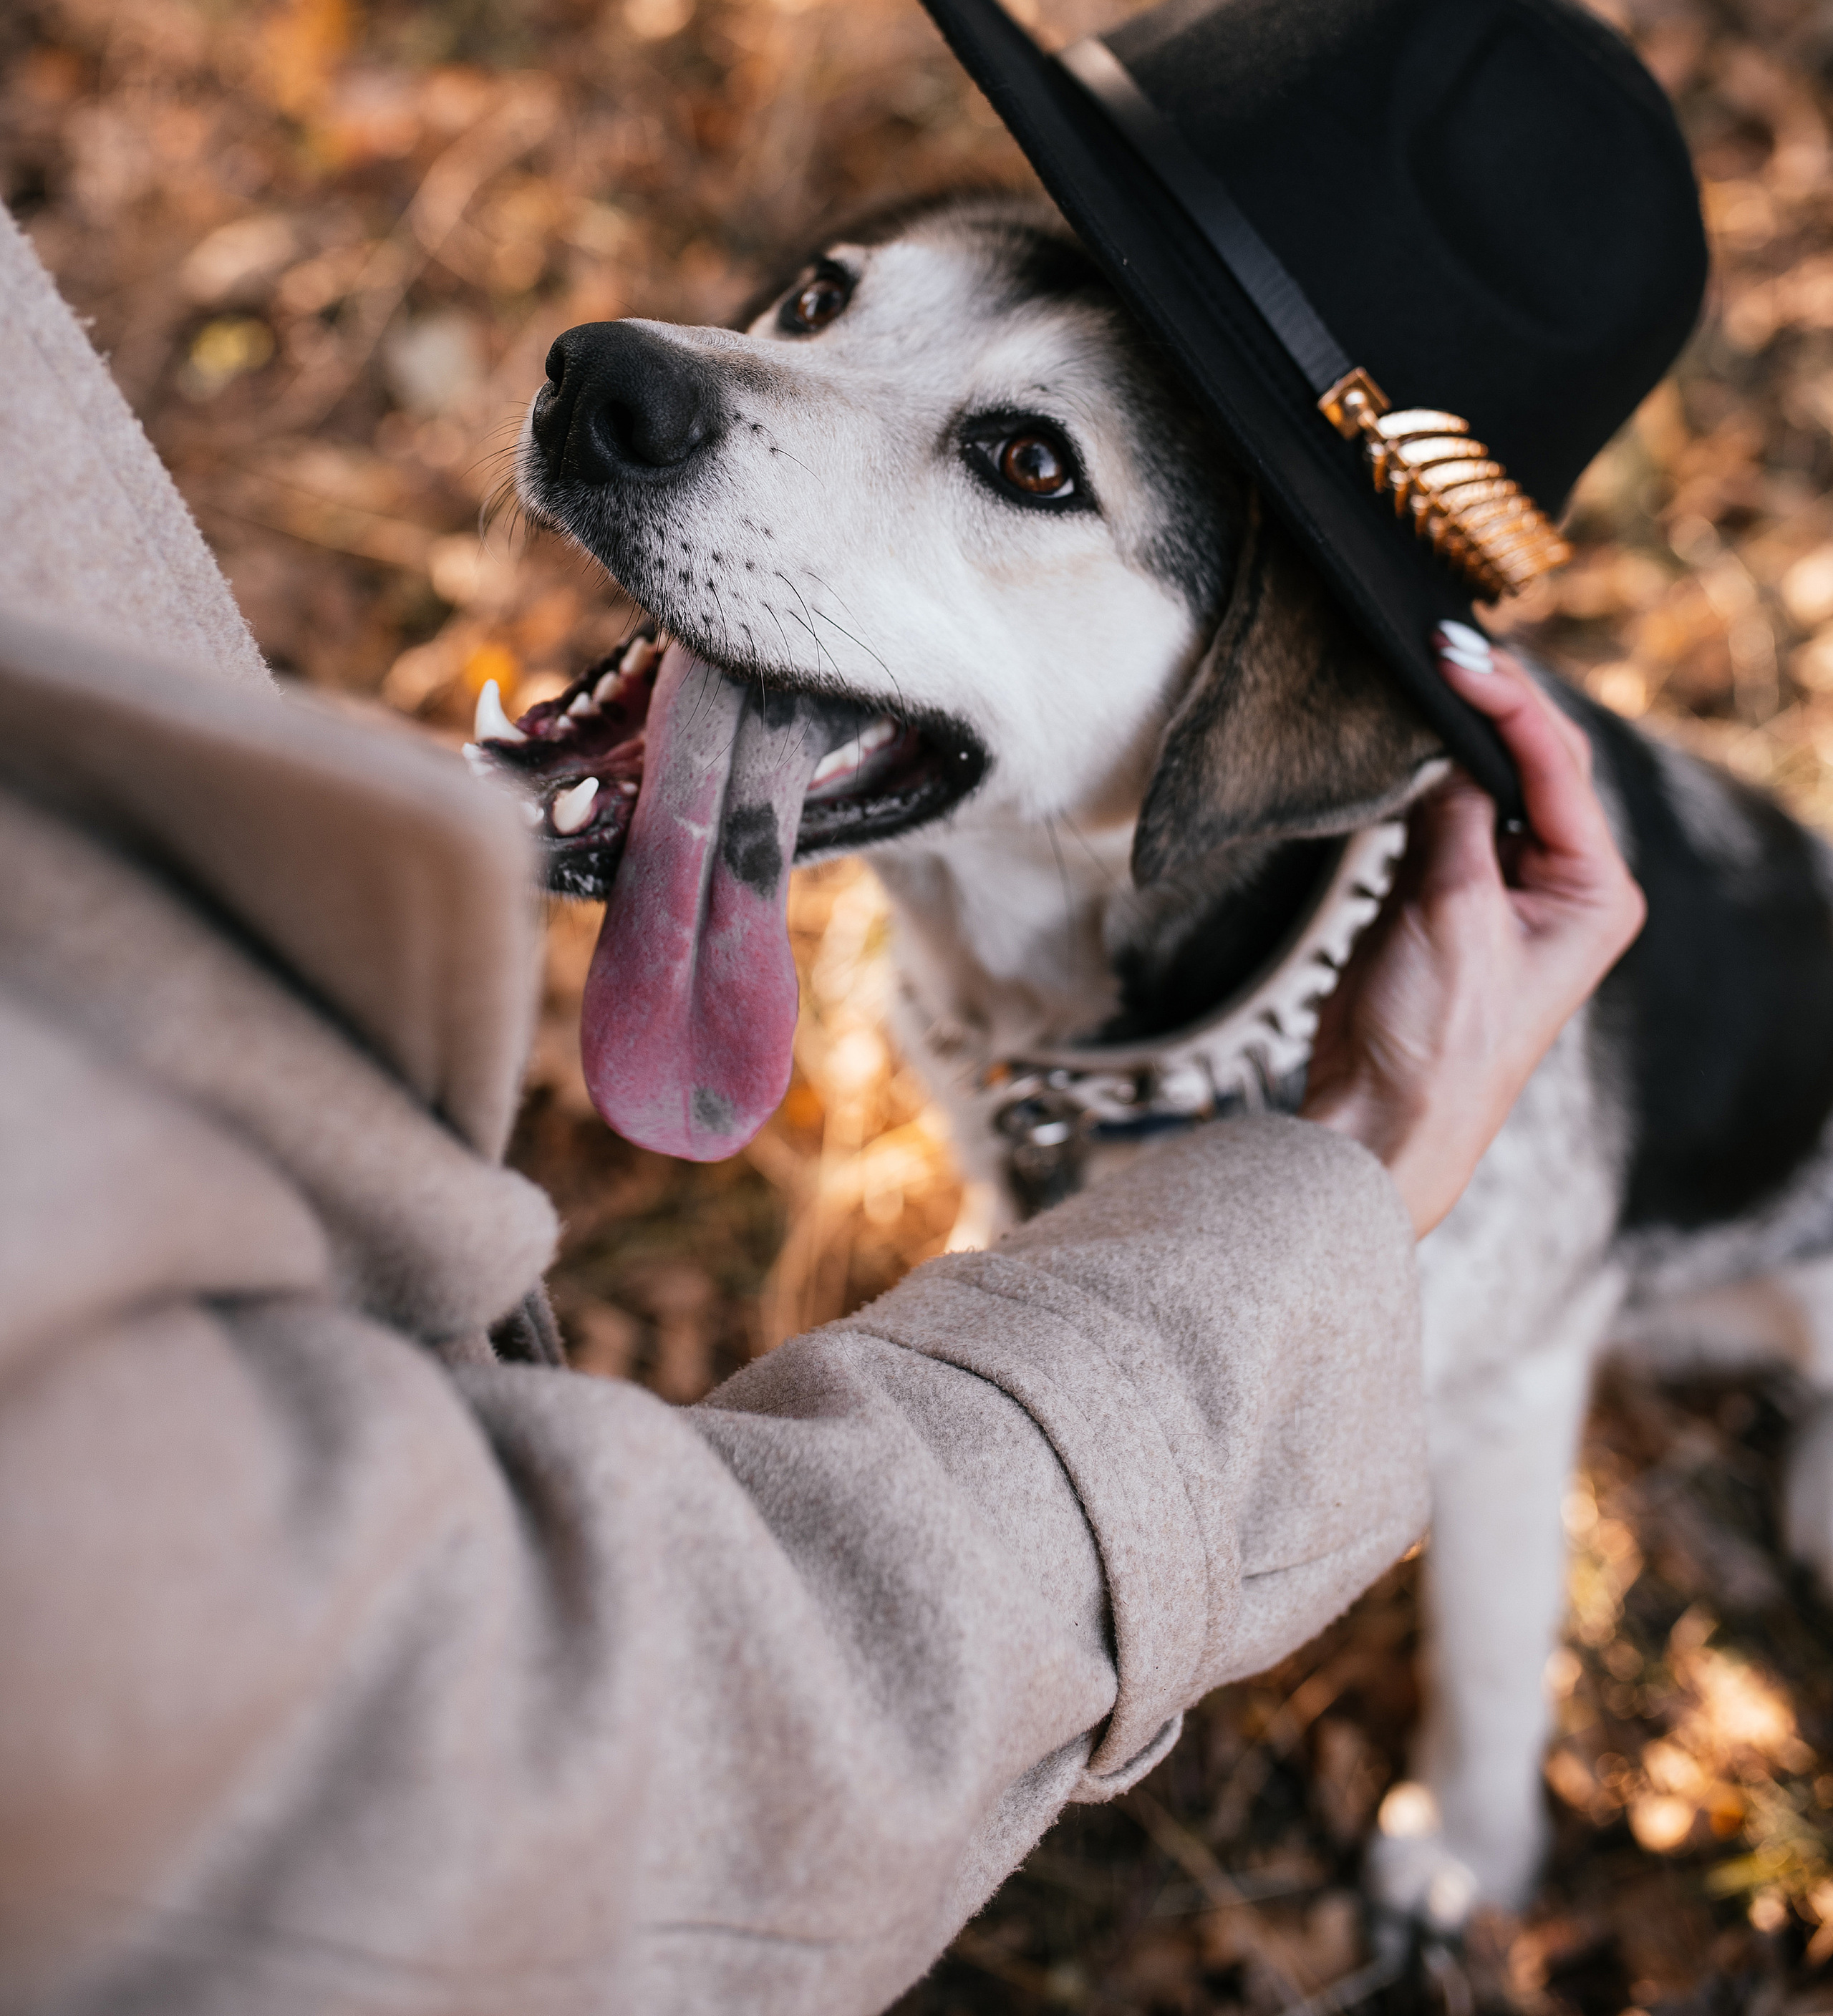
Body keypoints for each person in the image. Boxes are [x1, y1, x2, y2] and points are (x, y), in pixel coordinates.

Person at [0, 203, 1642, 2016]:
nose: (683, 371)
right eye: (825, 304)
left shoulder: (1483, 1007)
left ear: (1243, 722)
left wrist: (1477, 1806)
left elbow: (1502, 1394)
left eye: (1023, 461)